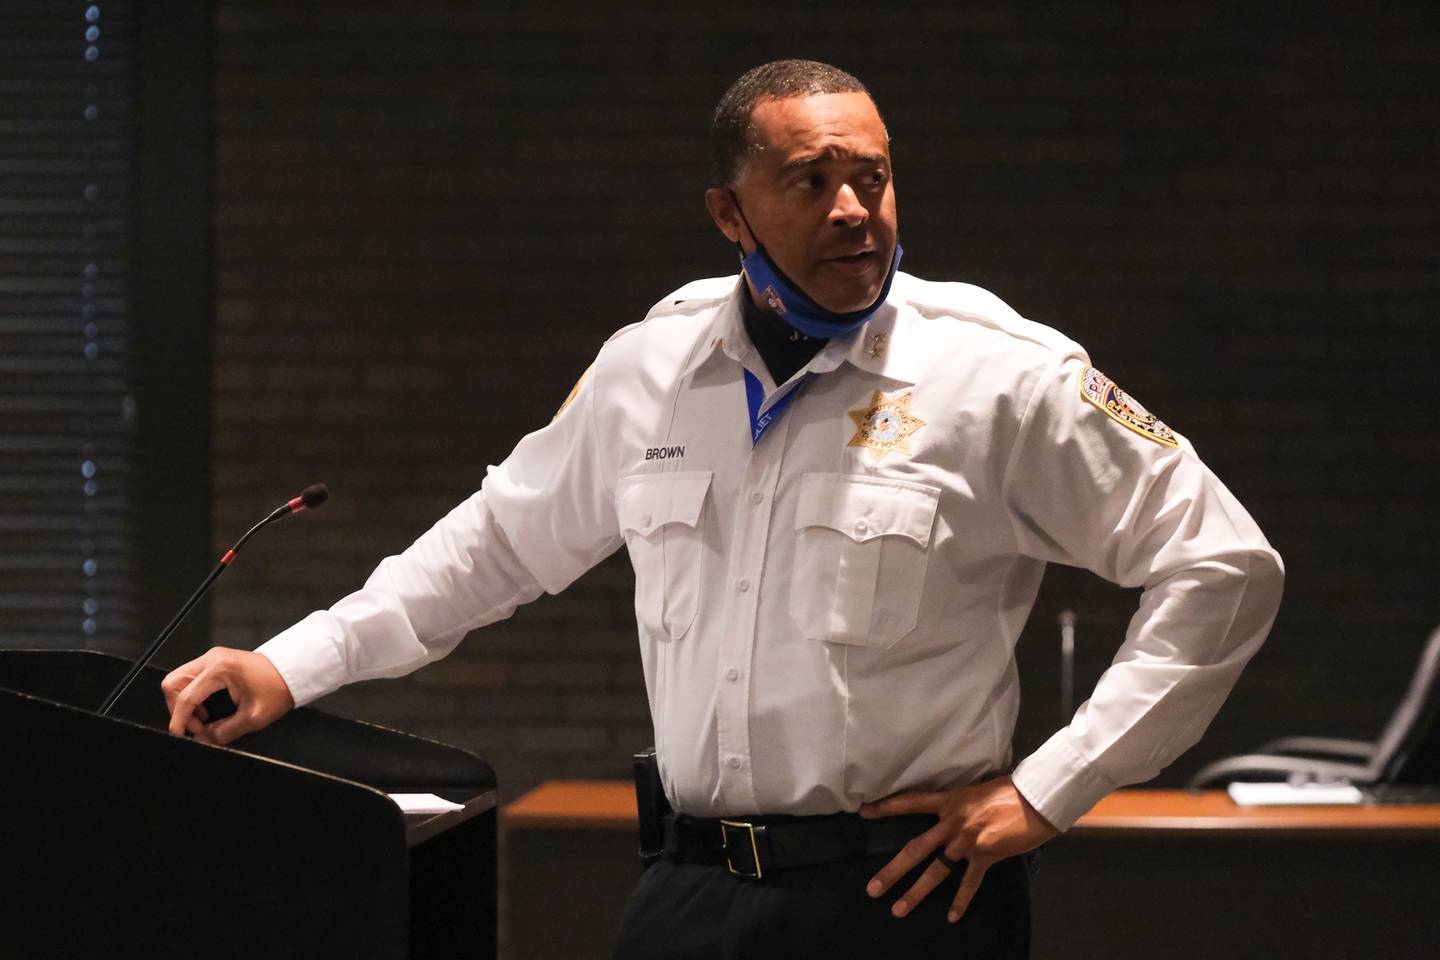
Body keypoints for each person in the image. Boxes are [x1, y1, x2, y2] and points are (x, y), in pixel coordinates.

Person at [163, 60, 1284, 958]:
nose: (856, 211)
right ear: (729, 213)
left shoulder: (1000, 376)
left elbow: (1225, 566)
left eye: (876, 178)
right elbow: (496, 545)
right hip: (689, 896)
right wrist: (287, 666)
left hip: (901, 902)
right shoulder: (651, 367)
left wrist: (1050, 789)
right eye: (811, 182)